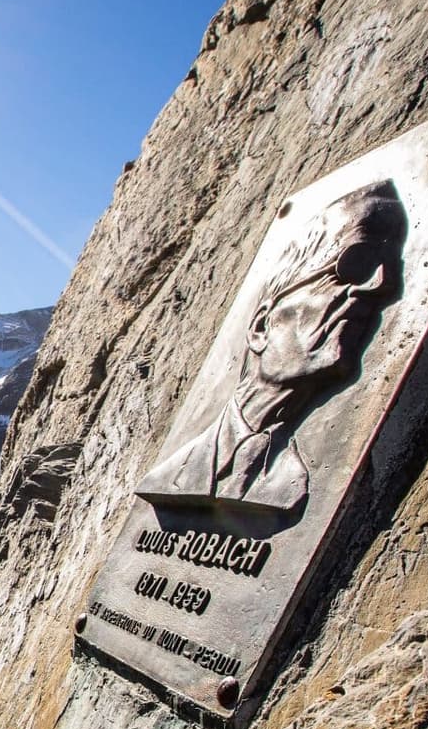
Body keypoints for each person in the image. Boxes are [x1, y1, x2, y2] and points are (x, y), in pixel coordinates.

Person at [138, 179, 408, 515]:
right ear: (260, 325)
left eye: (391, 269)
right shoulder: (171, 474)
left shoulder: (300, 474)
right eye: (357, 264)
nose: (380, 286)